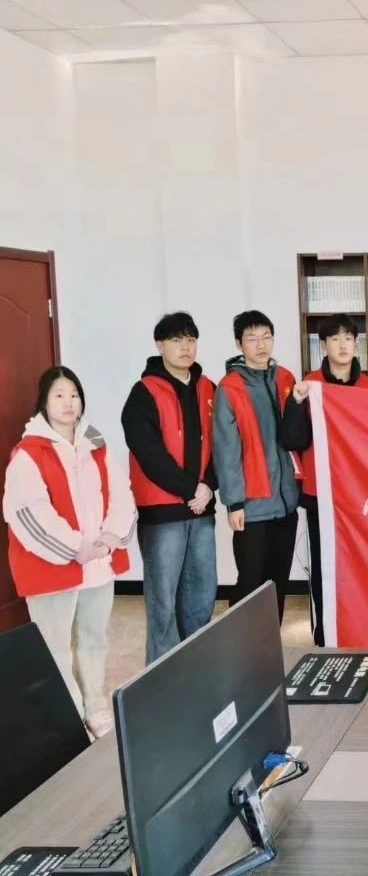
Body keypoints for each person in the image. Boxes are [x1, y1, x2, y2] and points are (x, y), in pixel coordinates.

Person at [4, 367, 136, 738]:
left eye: (74, 395)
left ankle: (95, 707)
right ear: (44, 402)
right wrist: (76, 547)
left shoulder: (96, 446)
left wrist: (110, 537)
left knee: (94, 639)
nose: (68, 403)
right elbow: (28, 512)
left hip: (98, 563)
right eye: (59, 395)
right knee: (55, 647)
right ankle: (69, 718)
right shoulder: (29, 454)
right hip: (53, 567)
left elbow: (121, 493)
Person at [121, 311, 218, 664]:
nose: (185, 347)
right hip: (163, 513)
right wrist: (192, 489)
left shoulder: (208, 388)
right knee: (163, 602)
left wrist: (209, 485)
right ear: (160, 345)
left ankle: (196, 670)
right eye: (176, 340)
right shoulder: (143, 393)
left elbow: (222, 444)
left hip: (202, 510)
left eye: (191, 339)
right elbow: (149, 454)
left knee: (202, 596)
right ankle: (161, 678)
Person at [281, 314, 368, 646]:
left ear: (356, 343)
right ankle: (325, 637)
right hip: (320, 493)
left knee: (362, 566)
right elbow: (292, 439)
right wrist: (297, 402)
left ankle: (360, 631)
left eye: (348, 338)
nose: (342, 345)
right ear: (323, 345)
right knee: (323, 567)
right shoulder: (309, 385)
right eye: (335, 339)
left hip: (360, 495)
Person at [213, 310, 300, 623]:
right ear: (240, 344)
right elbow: (226, 449)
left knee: (278, 582)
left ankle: (270, 645)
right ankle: (242, 645)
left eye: (266, 337)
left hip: (286, 502)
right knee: (250, 583)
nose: (261, 345)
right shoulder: (230, 387)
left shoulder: (286, 379)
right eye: (252, 339)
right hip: (251, 506)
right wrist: (234, 502)